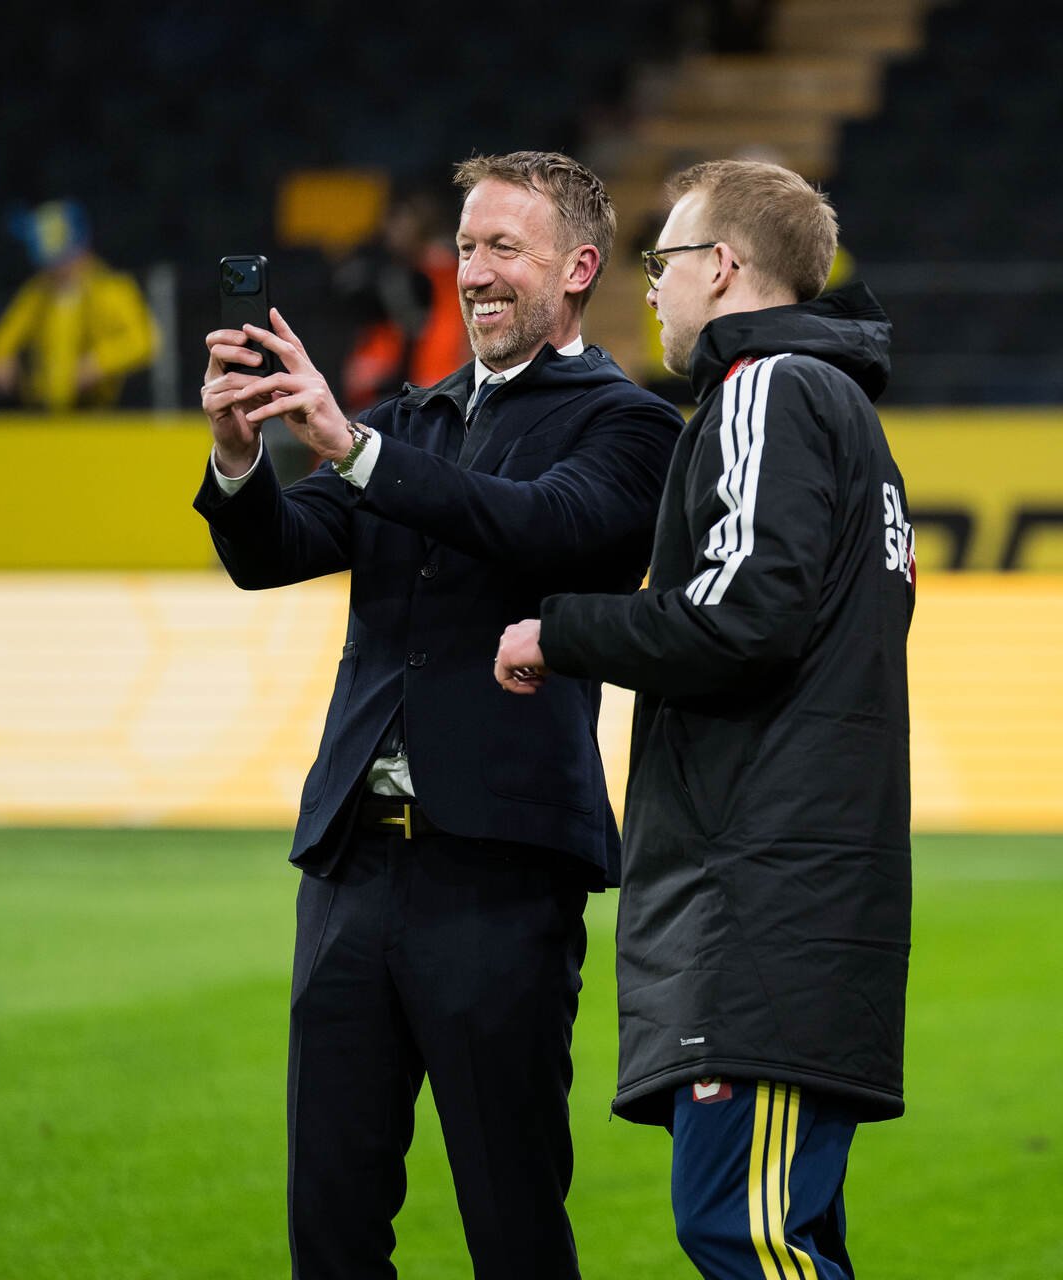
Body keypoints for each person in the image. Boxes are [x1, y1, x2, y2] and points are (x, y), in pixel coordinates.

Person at [193, 150, 682, 1279]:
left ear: (579, 269)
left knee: (510, 1221)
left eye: (504, 246)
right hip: (352, 870)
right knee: (330, 1218)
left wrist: (353, 449)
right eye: (465, 246)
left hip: (499, 875)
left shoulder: (631, 426)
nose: (474, 271)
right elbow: (277, 552)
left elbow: (538, 526)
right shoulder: (409, 420)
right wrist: (238, 456)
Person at [493, 159, 912, 1279]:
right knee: (770, 1228)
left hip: (761, 907)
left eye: (664, 264)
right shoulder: (838, 411)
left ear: (722, 267)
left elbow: (743, 615)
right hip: (792, 901)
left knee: (747, 1233)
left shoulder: (770, 388)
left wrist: (561, 631)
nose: (653, 290)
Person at [0, 199, 158, 410]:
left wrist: (98, 363)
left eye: (60, 260)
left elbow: (144, 341)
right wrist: (1, 356)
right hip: (43, 407)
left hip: (102, 409)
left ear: (80, 250)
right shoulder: (39, 293)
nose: (54, 270)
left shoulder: (111, 289)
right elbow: (6, 335)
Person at [334, 187, 471, 412]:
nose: (391, 230)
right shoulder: (401, 272)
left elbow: (456, 325)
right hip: (422, 376)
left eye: (398, 220)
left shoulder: (444, 265)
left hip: (441, 375)